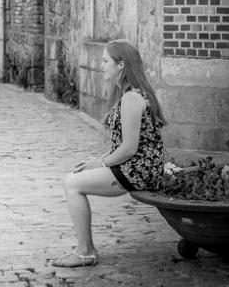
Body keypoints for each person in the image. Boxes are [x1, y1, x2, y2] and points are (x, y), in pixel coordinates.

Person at [52, 39, 166, 267]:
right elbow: (122, 145)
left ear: (121, 65)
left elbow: (129, 148)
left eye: (105, 61)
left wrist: (101, 164)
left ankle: (85, 251)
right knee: (73, 179)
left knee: (72, 184)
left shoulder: (132, 98)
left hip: (138, 170)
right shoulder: (130, 93)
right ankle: (85, 249)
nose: (101, 65)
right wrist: (99, 160)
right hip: (136, 165)